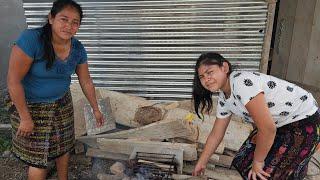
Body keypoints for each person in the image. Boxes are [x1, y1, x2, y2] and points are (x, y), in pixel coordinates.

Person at [6, 0, 105, 179]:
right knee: (38, 157)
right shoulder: (31, 40)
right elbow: (13, 81)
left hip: (62, 103)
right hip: (30, 105)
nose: (69, 26)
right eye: (64, 19)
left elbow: (86, 81)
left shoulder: (78, 49)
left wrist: (96, 108)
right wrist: (25, 118)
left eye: (75, 22)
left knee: (64, 145)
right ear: (51, 18)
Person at [191, 52, 319, 180]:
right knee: (244, 160)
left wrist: (258, 162)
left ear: (224, 68)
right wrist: (202, 162)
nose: (206, 79)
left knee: (265, 172)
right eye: (201, 76)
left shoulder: (242, 83)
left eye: (210, 72)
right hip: (281, 122)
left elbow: (268, 129)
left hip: (304, 121)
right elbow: (216, 134)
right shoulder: (224, 98)